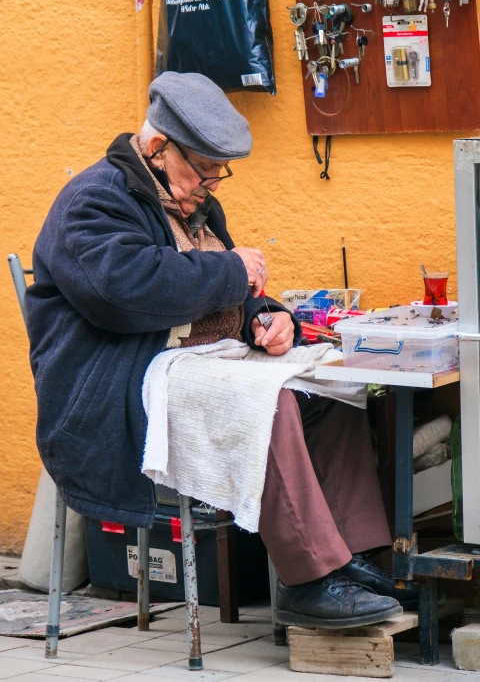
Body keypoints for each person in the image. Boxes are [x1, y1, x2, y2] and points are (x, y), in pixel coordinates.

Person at [26, 71, 417, 629]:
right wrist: (233, 272)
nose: (211, 184)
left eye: (218, 173)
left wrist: (270, 318)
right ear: (158, 148)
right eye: (202, 171)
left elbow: (227, 290)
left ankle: (353, 558)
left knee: (329, 392)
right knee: (267, 403)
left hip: (185, 370)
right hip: (112, 390)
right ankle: (309, 581)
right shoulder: (92, 202)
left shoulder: (196, 205)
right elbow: (126, 293)